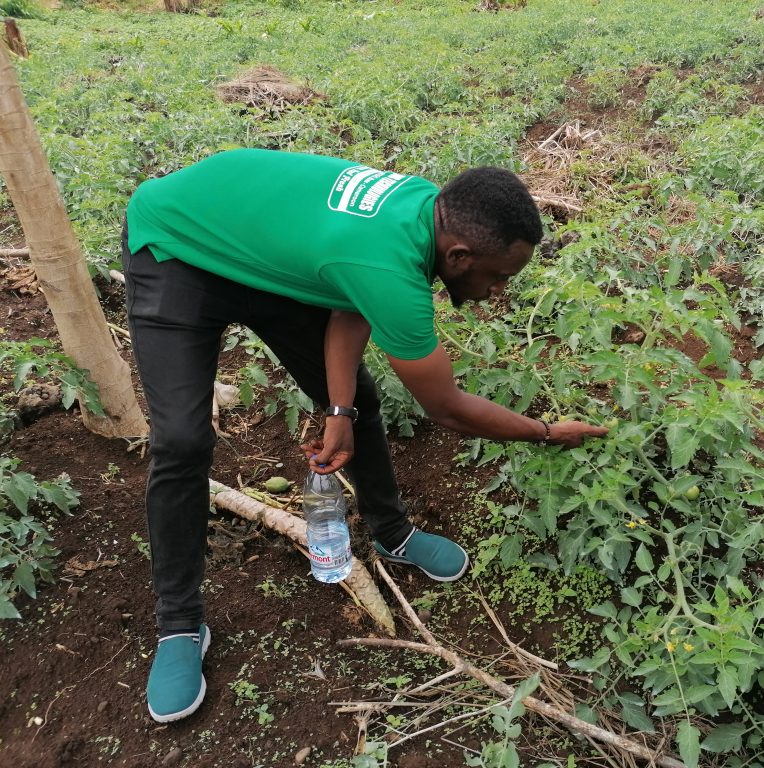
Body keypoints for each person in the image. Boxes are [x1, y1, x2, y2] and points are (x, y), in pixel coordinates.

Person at [121, 148, 608, 723]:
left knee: (361, 401)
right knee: (181, 441)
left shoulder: (428, 213)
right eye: (499, 277)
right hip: (178, 245)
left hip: (265, 254)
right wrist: (546, 432)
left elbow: (350, 303)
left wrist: (339, 410)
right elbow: (447, 408)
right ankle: (179, 625)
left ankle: (391, 533)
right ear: (458, 255)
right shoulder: (392, 266)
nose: (499, 291)